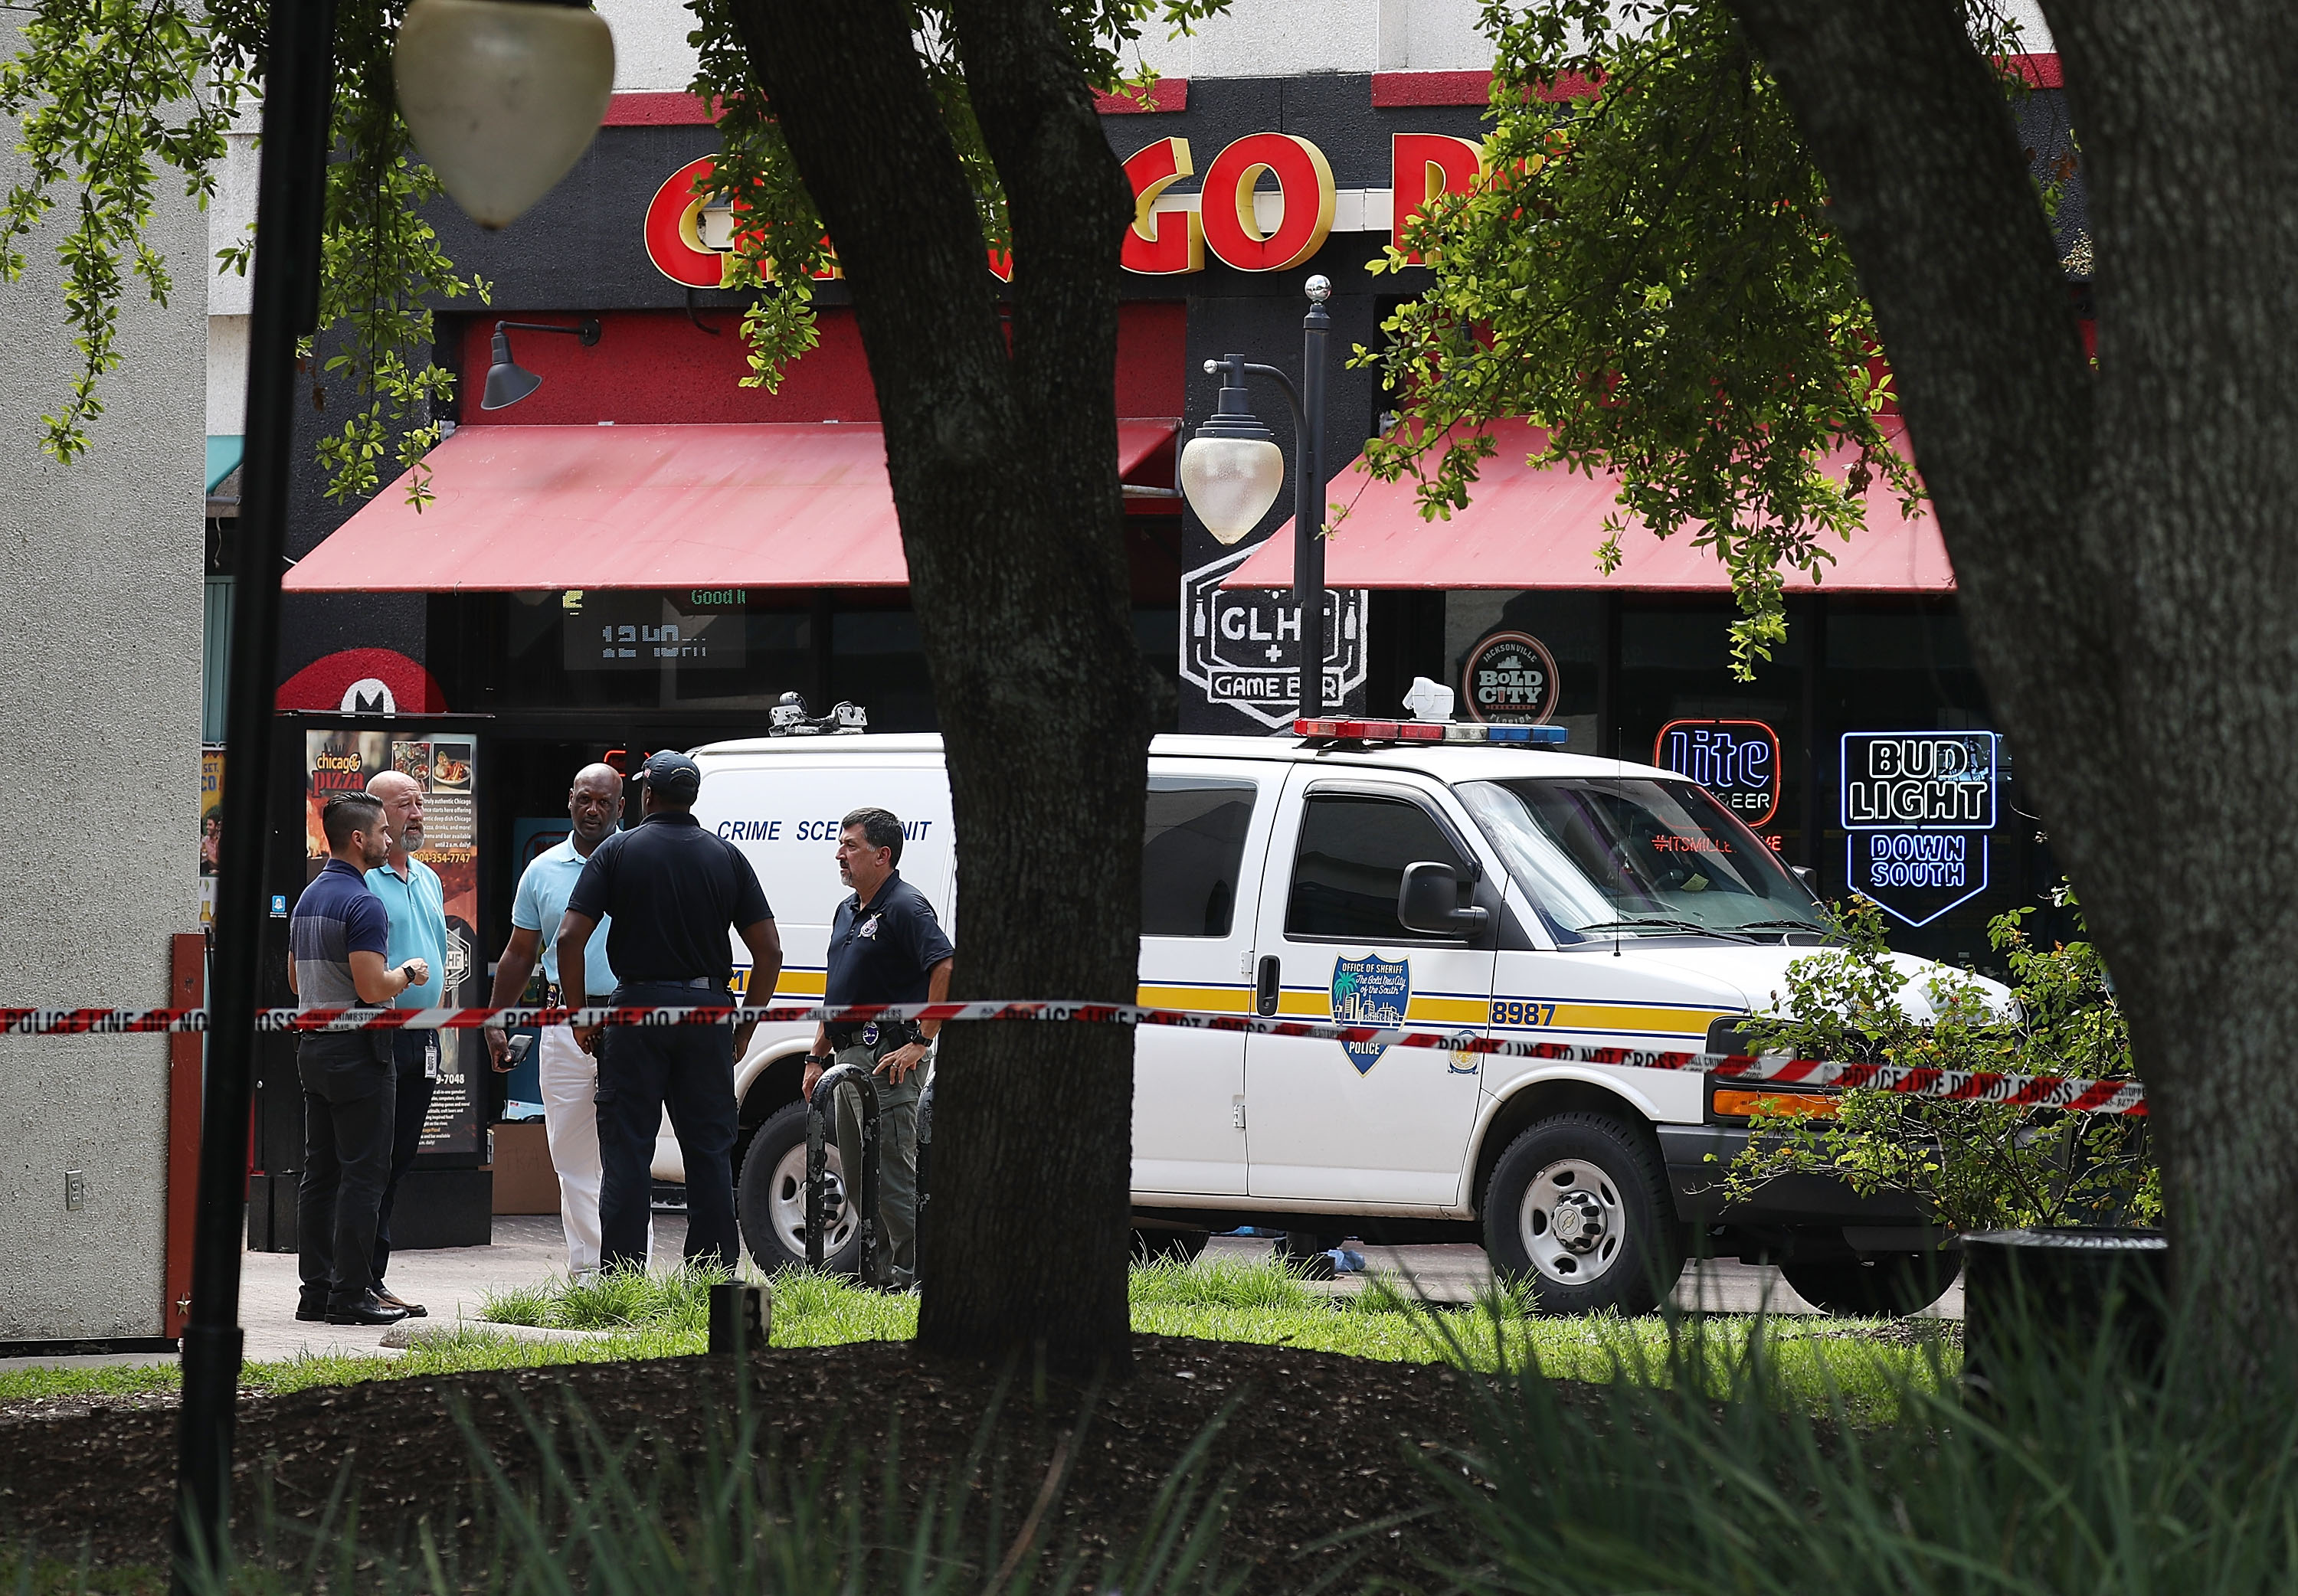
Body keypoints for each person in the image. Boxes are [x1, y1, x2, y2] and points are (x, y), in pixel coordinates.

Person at [560, 751, 782, 1273]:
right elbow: (768, 949)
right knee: (708, 1151)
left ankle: (622, 1280)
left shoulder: (616, 852)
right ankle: (710, 1276)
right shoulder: (726, 856)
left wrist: (578, 1015)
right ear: (693, 798)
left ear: (646, 795)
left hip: (636, 1011)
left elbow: (570, 938)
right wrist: (745, 1023)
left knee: (628, 1151)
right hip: (708, 1013)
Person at [483, 763, 651, 1274]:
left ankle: (625, 1272)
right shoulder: (543, 870)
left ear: (622, 807)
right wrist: (496, 1017)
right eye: (584, 799)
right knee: (571, 1156)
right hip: (561, 1023)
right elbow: (518, 952)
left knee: (626, 1156)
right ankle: (588, 1275)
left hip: (630, 1021)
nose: (593, 810)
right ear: (570, 800)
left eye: (604, 801)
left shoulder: (641, 862)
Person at [287, 793, 430, 1326]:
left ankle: (316, 1292)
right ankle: (352, 1295)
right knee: (364, 1174)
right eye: (382, 832)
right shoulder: (363, 902)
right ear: (359, 839)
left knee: (319, 1174)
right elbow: (373, 987)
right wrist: (410, 972)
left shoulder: (308, 899)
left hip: (314, 1047)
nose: (389, 840)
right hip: (359, 1048)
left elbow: (296, 979)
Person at [803, 807, 954, 1293]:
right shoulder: (848, 909)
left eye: (851, 846)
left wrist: (921, 1040)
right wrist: (817, 1053)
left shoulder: (906, 906)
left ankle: (917, 1282)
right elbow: (841, 990)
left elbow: (945, 968)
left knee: (892, 1175)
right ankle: (881, 1279)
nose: (840, 854)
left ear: (883, 855)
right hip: (849, 1057)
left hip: (888, 1057)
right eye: (841, 844)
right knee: (858, 1175)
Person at [362, 768, 450, 1317]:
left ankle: (372, 1275)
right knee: (372, 1161)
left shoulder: (430, 878)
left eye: (420, 803)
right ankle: (358, 1278)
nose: (416, 814)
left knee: (399, 1161)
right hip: (378, 1037)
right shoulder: (362, 882)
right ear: (376, 817)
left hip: (425, 1036)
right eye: (405, 805)